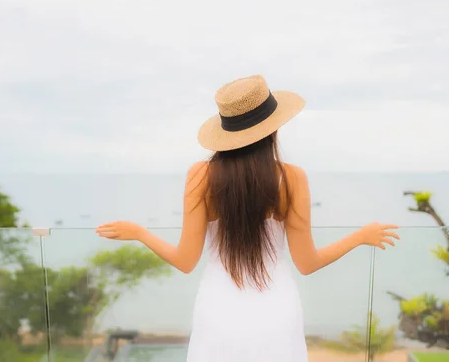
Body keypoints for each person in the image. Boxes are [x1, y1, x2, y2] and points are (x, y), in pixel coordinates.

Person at [96, 75, 400, 361]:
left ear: (225, 131)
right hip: (277, 312)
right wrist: (361, 237)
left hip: (218, 312)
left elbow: (185, 261)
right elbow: (308, 263)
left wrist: (139, 232)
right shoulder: (291, 178)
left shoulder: (200, 176)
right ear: (273, 127)